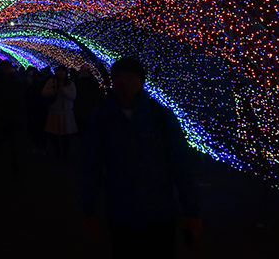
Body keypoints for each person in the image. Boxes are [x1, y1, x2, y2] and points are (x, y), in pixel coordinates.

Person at [82, 57, 201, 259]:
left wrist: (192, 212)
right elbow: (91, 166)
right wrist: (89, 211)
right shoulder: (102, 118)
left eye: (129, 77)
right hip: (121, 213)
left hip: (159, 213)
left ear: (141, 81)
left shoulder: (160, 116)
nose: (123, 82)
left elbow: (181, 163)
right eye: (118, 77)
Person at [43, 65, 78, 161]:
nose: (60, 72)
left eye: (62, 71)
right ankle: (57, 153)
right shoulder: (52, 81)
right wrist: (54, 90)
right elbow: (44, 93)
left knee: (65, 136)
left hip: (66, 112)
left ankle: (65, 155)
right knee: (54, 135)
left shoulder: (70, 83)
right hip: (54, 111)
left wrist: (62, 90)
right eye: (59, 71)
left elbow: (73, 96)